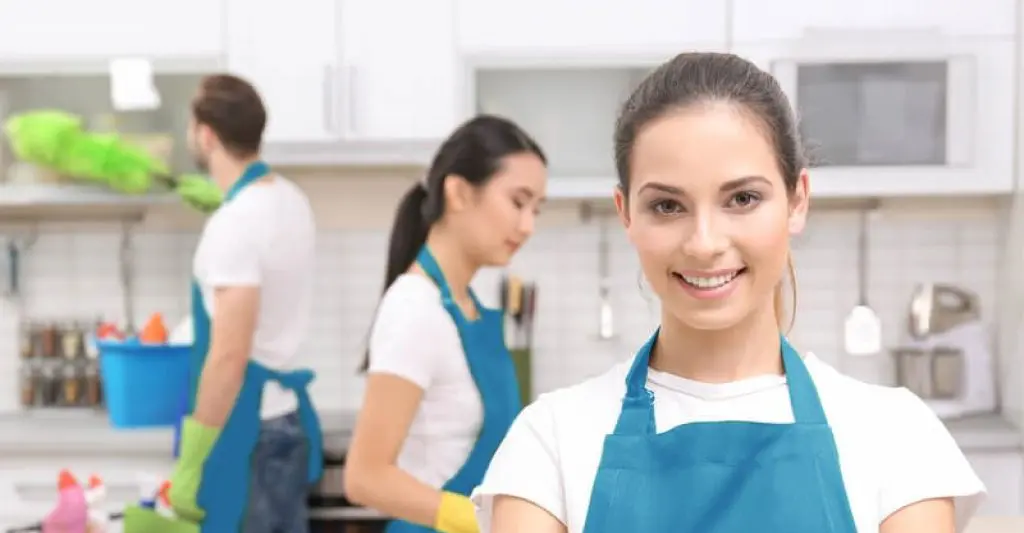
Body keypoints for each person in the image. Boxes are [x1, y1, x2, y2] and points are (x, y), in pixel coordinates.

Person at [471, 53, 986, 533]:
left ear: (797, 200)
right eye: (668, 206)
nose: (705, 243)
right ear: (626, 212)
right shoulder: (551, 442)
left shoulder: (895, 437)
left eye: (742, 198)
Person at [344, 115, 548, 533]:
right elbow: (364, 478)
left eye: (536, 209)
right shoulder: (414, 308)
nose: (528, 226)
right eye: (517, 202)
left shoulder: (467, 305)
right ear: (458, 192)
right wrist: (476, 521)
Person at [165, 74, 323, 533]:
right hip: (283, 422)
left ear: (207, 134)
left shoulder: (235, 224)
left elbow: (230, 355)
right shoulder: (291, 201)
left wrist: (193, 459)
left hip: (245, 436)